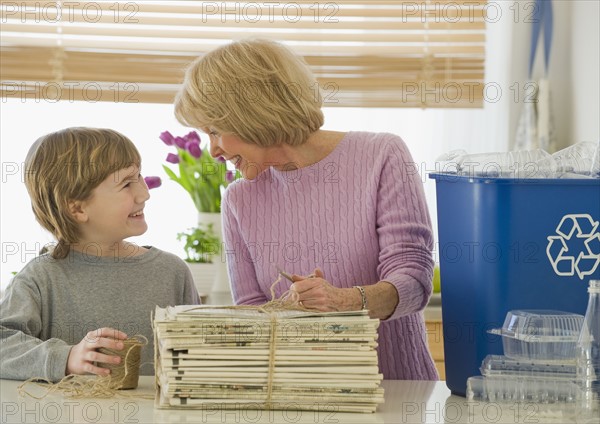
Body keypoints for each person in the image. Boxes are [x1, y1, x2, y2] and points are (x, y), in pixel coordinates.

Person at [175, 39, 437, 380]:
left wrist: (344, 302)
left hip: (398, 393)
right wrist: (285, 310)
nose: (213, 151)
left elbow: (414, 281)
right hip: (296, 396)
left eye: (214, 131)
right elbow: (252, 313)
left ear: (250, 112)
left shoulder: (380, 155)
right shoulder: (239, 199)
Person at [0, 127, 200, 382]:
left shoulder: (173, 272)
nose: (144, 193)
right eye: (127, 183)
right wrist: (67, 358)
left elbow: (197, 355)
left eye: (139, 176)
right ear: (77, 208)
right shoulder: (41, 278)